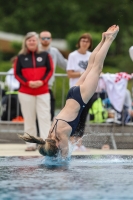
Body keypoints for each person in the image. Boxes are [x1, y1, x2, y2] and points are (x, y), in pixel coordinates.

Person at [19, 25, 119, 158]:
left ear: (57, 146)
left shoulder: (62, 134)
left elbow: (65, 158)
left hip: (80, 98)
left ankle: (109, 40)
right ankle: (102, 39)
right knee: (90, 66)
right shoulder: (50, 133)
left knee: (97, 67)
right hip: (72, 94)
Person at [14, 32, 53, 151]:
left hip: (43, 91)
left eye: (34, 40)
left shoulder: (46, 55)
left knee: (45, 118)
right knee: (29, 119)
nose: (31, 42)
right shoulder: (20, 57)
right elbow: (17, 73)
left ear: (37, 42)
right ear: (26, 42)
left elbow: (50, 70)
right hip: (26, 92)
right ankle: (30, 144)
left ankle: (46, 144)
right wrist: (27, 83)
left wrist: (42, 81)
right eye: (29, 40)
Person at [67, 32, 92, 150]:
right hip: (76, 89)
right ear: (79, 42)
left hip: (88, 90)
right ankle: (72, 140)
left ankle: (79, 142)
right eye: (83, 40)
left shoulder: (91, 55)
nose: (85, 43)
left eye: (87, 41)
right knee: (74, 116)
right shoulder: (73, 56)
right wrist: (82, 73)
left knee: (83, 116)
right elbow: (70, 73)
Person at [39, 31, 67, 121]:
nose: (46, 40)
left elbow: (64, 64)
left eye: (48, 38)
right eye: (43, 38)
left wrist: (83, 69)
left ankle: (46, 134)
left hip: (47, 87)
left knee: (49, 112)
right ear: (39, 39)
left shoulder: (54, 51)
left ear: (51, 39)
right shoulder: (35, 50)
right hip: (35, 87)